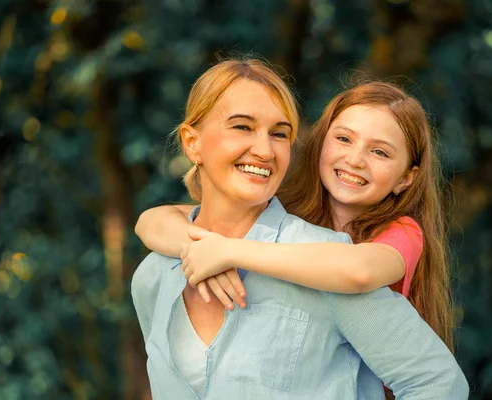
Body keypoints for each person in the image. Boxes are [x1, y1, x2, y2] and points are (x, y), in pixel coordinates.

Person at [131, 58, 469, 399]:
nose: (264, 150)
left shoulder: (335, 263)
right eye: (242, 127)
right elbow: (155, 219)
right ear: (192, 143)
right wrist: (195, 247)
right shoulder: (153, 278)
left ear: (406, 177)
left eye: (279, 134)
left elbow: (438, 382)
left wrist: (228, 251)